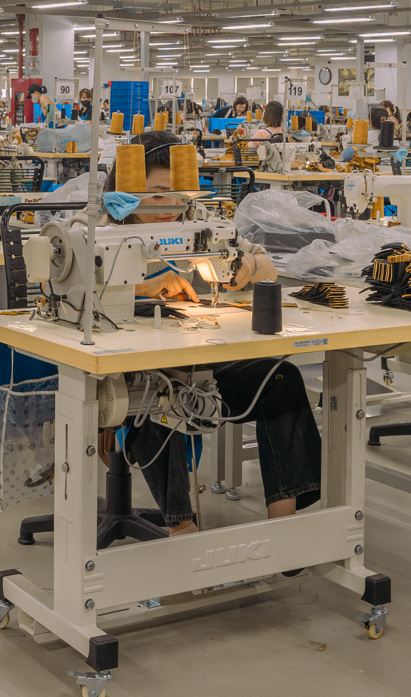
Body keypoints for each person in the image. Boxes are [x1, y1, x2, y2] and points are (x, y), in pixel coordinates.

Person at [102, 132, 314, 537]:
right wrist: (139, 286)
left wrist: (248, 266)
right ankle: (182, 529)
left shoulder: (194, 215)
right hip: (121, 369)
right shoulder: (98, 223)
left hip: (194, 357)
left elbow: (266, 264)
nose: (168, 205)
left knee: (281, 378)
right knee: (159, 387)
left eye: (176, 194)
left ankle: (283, 532)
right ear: (126, 190)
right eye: (156, 195)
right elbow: (64, 282)